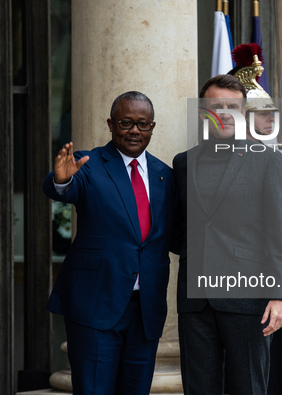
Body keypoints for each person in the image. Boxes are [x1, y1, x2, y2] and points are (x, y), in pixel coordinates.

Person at [42, 91, 177, 395]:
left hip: (146, 310)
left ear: (152, 127)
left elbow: (172, 236)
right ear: (111, 124)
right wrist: (62, 181)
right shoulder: (88, 164)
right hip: (95, 304)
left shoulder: (165, 176)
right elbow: (62, 188)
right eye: (126, 122)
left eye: (142, 124)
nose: (134, 131)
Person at [173, 74, 282, 395]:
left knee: (248, 388)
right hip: (195, 301)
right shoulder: (184, 163)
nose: (225, 113)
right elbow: (177, 228)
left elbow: (280, 233)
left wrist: (281, 295)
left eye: (233, 106)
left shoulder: (267, 161)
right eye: (217, 106)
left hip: (248, 298)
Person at [229, 49, 282, 395]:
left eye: (272, 114)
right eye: (261, 114)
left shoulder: (274, 157)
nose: (270, 120)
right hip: (239, 273)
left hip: (276, 271)